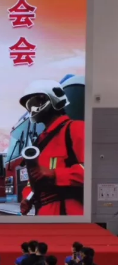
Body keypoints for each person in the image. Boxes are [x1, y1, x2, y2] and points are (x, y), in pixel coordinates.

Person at [18, 80, 84, 216]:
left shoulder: (76, 129)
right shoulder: (39, 142)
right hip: (44, 215)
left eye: (35, 103)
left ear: (53, 99)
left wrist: (55, 174)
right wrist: (27, 197)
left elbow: (96, 172)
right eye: (29, 106)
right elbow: (34, 179)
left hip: (70, 216)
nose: (32, 109)